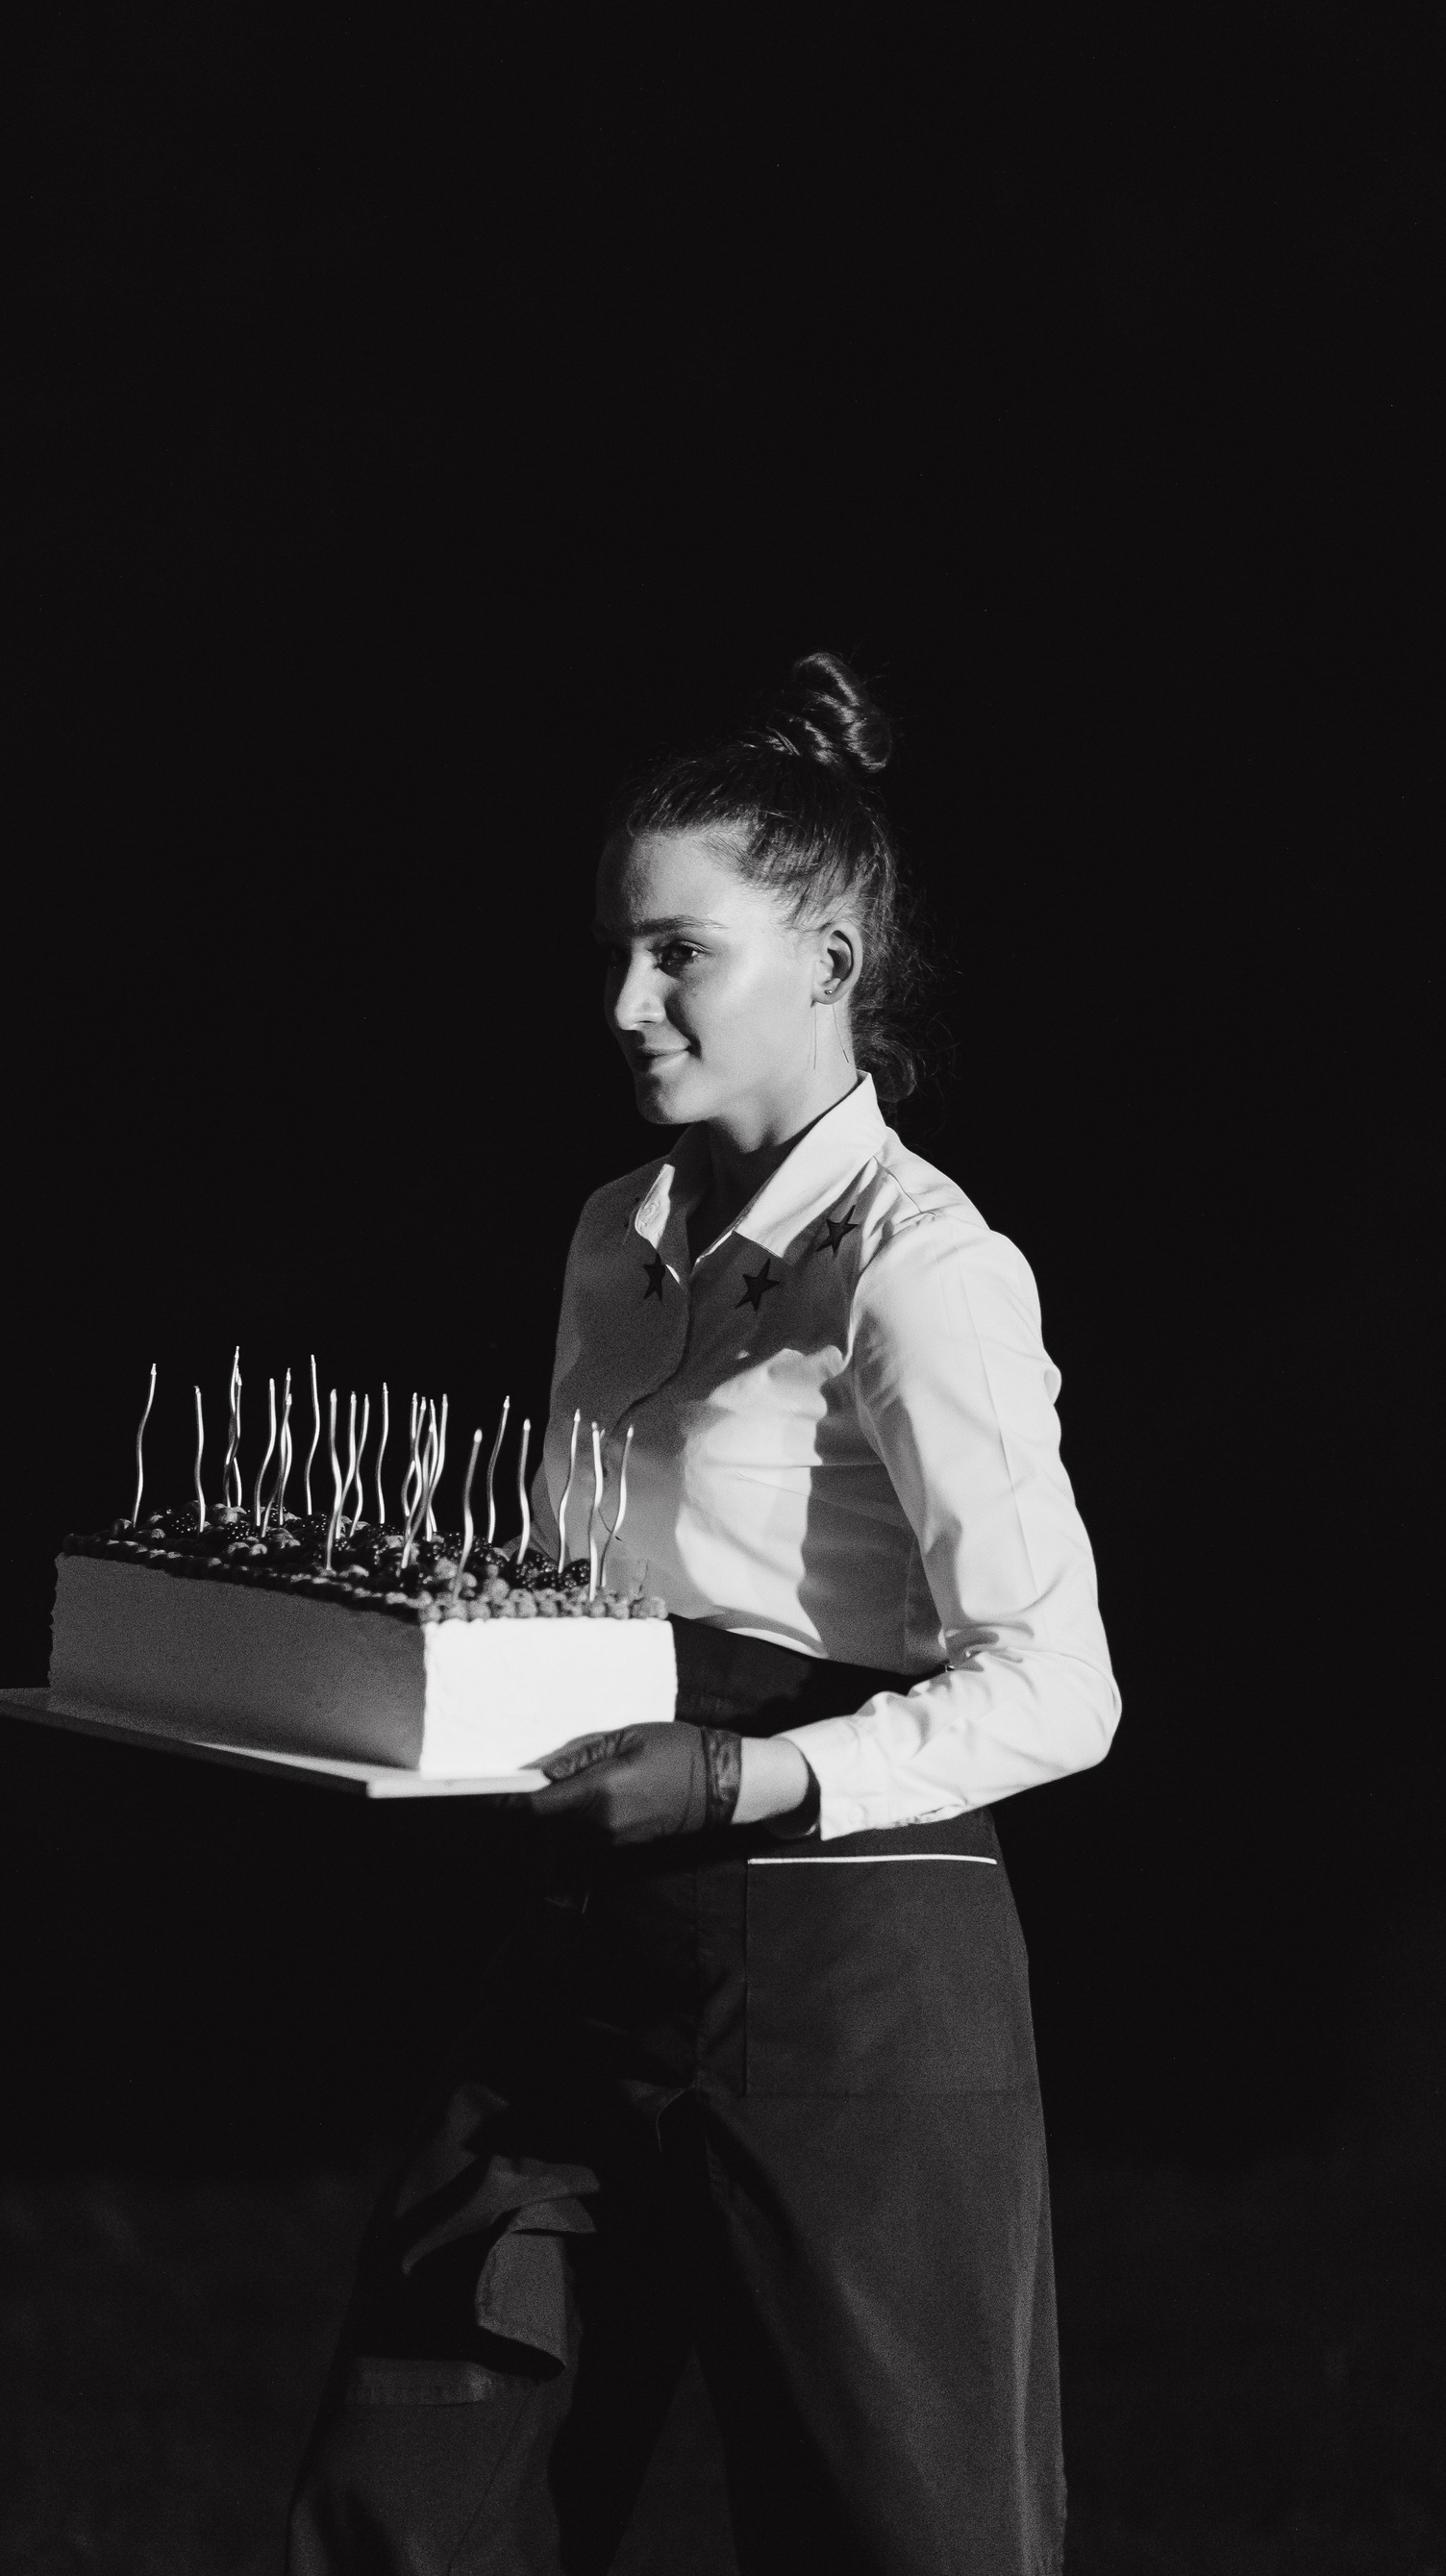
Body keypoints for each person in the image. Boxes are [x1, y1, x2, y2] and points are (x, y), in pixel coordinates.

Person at [287, 652, 1118, 2575]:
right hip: (592, 1935)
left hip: (852, 1958)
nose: (624, 1005)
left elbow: (1059, 1687)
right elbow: (596, 1587)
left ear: (828, 962)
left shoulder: (921, 1271)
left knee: (894, 2535)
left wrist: (744, 1779)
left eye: (681, 956)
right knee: (414, 2489)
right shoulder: (613, 1235)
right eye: (616, 953)